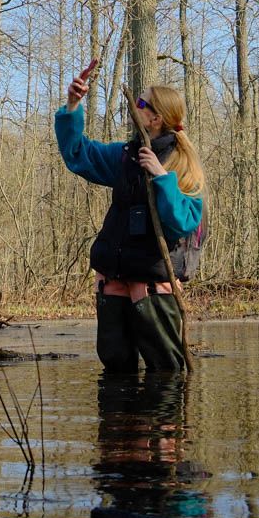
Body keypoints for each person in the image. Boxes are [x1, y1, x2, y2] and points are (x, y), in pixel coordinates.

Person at [55, 62, 205, 372]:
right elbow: (78, 154)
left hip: (153, 285)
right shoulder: (126, 156)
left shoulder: (183, 165)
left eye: (140, 102)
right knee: (115, 369)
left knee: (166, 372)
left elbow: (183, 222)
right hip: (113, 279)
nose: (133, 105)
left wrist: (162, 177)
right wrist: (72, 106)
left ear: (155, 118)